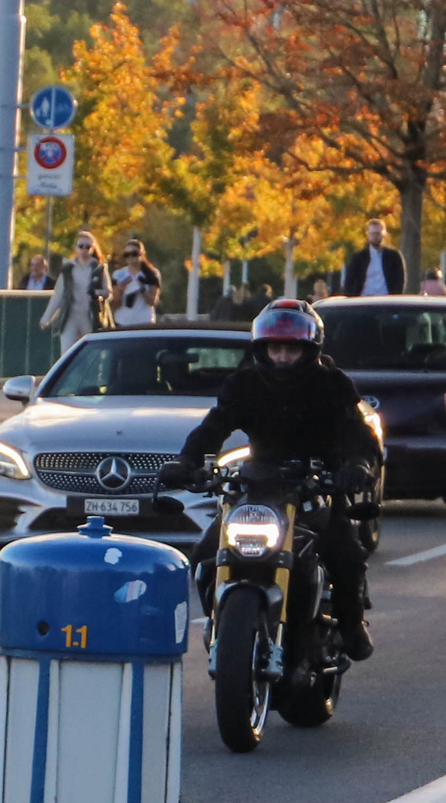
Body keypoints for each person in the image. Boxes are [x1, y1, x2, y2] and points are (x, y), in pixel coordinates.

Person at [163, 299, 381, 660]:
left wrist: (356, 467)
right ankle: (223, 620)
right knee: (204, 555)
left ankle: (351, 623)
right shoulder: (244, 383)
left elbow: (357, 434)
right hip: (258, 482)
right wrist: (186, 462)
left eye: (291, 349)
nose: (282, 357)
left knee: (346, 553)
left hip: (318, 482)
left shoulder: (332, 383)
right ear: (261, 348)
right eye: (275, 348)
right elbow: (213, 427)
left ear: (309, 350)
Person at [40, 232, 111, 351]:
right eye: (81, 246)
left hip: (91, 316)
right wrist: (46, 317)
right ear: (76, 248)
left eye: (88, 247)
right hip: (71, 316)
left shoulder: (99, 269)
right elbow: (58, 295)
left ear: (93, 249)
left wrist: (97, 293)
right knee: (66, 351)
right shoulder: (68, 269)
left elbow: (108, 292)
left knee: (92, 351)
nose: (84, 250)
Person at [342, 218, 405, 297]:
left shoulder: (394, 256)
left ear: (384, 234)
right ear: (368, 235)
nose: (375, 236)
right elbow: (349, 281)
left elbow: (400, 280)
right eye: (372, 234)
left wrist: (394, 298)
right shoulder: (358, 258)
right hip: (363, 300)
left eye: (377, 233)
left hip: (387, 301)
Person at [111, 239, 163, 326]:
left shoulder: (151, 273)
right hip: (122, 322)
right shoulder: (119, 275)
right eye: (127, 255)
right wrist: (121, 289)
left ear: (142, 254)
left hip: (145, 321)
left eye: (134, 254)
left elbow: (152, 302)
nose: (130, 257)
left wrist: (142, 289)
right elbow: (114, 304)